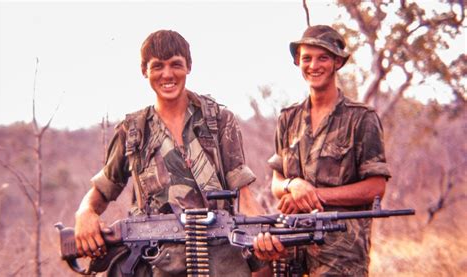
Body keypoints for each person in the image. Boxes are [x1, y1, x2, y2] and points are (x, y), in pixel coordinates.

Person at [74, 29, 269, 276]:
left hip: (220, 260)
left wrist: (263, 234)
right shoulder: (133, 131)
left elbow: (245, 196)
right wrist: (85, 213)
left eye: (176, 64)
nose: (167, 74)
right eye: (158, 66)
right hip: (158, 264)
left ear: (189, 66)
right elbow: (101, 191)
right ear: (144, 71)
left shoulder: (218, 120)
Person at [255, 25, 391, 276]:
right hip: (290, 242)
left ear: (337, 62)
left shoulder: (361, 118)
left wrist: (316, 194)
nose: (314, 66)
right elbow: (277, 181)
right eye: (306, 58)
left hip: (340, 251)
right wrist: (292, 186)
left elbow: (376, 187)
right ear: (298, 61)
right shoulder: (288, 118)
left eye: (323, 58)